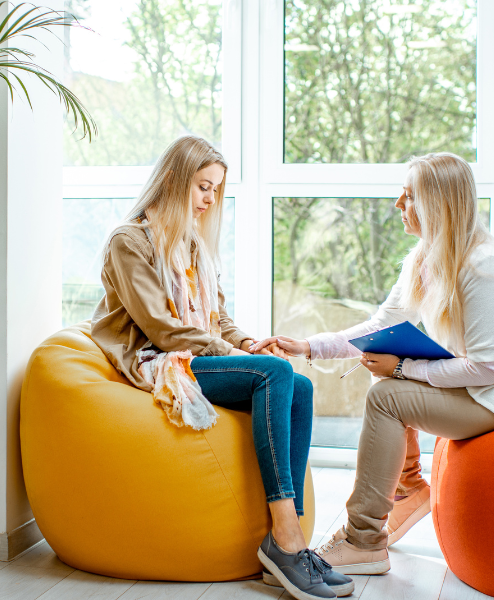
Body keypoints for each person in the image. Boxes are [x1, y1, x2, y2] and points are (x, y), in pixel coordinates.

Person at [91, 135, 351, 600]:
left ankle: (285, 544)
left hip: (191, 354)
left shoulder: (191, 244)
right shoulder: (128, 242)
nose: (210, 200)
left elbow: (218, 319)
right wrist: (239, 356)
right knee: (274, 374)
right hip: (157, 361)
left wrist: (249, 342)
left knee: (300, 385)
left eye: (216, 190)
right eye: (203, 187)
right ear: (172, 180)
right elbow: (162, 329)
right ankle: (287, 540)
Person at [254, 152, 494, 575]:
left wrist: (403, 369)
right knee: (383, 385)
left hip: (487, 398)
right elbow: (379, 327)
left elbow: (487, 369)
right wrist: (307, 347)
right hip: (471, 388)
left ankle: (363, 540)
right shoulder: (424, 259)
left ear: (437, 204)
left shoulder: (482, 267)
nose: (397, 205)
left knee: (386, 394)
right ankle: (407, 489)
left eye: (408, 196)